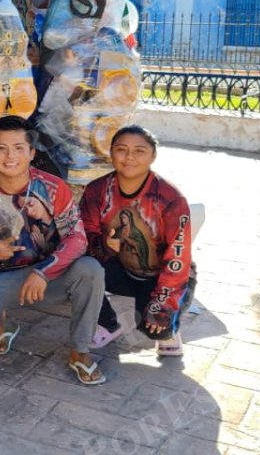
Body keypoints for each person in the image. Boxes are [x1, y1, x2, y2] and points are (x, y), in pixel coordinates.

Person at [0, 115, 108, 385]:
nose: (10, 156)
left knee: (91, 270)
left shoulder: (53, 188)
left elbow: (77, 238)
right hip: (4, 279)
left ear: (32, 153)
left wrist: (45, 271)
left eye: (19, 148)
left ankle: (80, 351)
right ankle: (1, 323)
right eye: (2, 148)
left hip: (50, 277)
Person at [82, 125, 195, 356]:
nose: (130, 157)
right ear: (111, 152)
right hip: (122, 270)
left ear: (153, 155)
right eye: (122, 149)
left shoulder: (170, 198)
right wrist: (104, 244)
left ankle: (169, 329)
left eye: (140, 151)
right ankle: (108, 322)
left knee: (156, 327)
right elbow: (83, 236)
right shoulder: (97, 191)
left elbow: (178, 258)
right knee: (78, 267)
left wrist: (163, 303)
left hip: (162, 277)